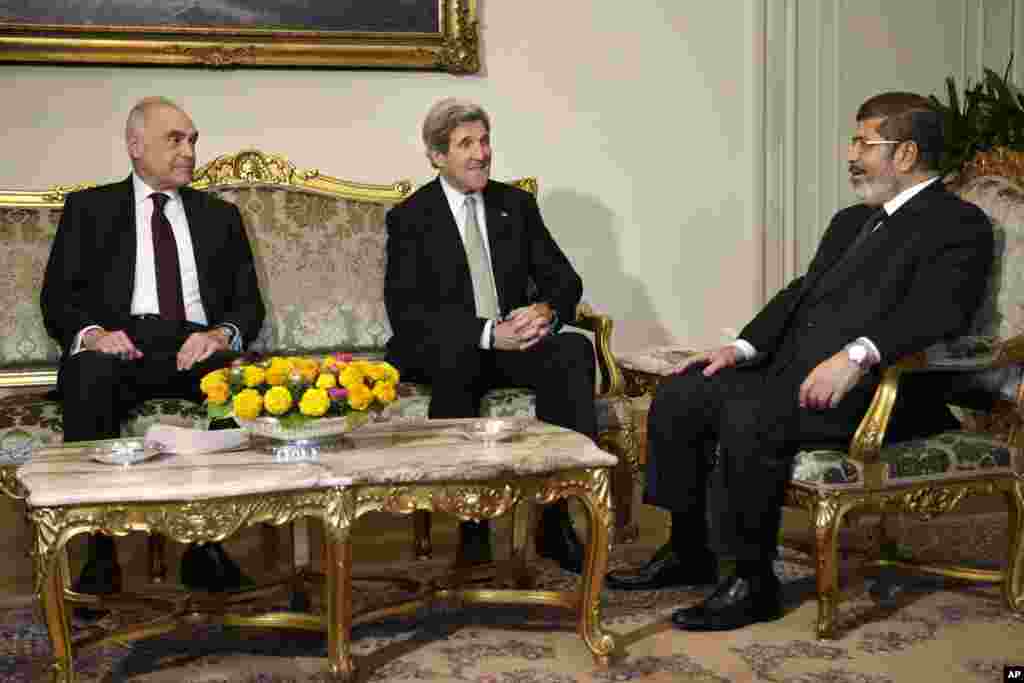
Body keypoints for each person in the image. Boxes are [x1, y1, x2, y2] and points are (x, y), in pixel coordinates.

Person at [605, 92, 994, 631]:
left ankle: (752, 580)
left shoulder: (959, 224)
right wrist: (741, 347)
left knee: (749, 411)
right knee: (684, 390)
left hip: (884, 392)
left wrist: (857, 357)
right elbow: (801, 293)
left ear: (905, 154)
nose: (851, 154)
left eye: (864, 142)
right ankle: (689, 549)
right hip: (798, 374)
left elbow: (938, 314)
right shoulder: (852, 221)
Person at [40, 97, 265, 610]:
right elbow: (58, 297)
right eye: (175, 139)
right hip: (121, 346)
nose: (188, 151)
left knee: (233, 380)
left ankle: (207, 545)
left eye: (192, 140)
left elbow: (247, 305)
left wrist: (219, 335)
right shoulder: (89, 209)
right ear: (135, 146)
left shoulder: (220, 216)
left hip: (193, 345)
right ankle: (98, 549)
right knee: (87, 375)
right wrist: (95, 334)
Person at [384, 98, 597, 571]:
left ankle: (556, 517)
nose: (481, 153)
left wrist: (543, 311)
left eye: (484, 141)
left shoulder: (514, 205)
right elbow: (410, 313)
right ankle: (471, 526)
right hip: (450, 346)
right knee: (456, 360)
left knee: (572, 351)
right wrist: (485, 333)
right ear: (437, 156)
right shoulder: (411, 217)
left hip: (511, 344)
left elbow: (565, 280)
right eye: (466, 144)